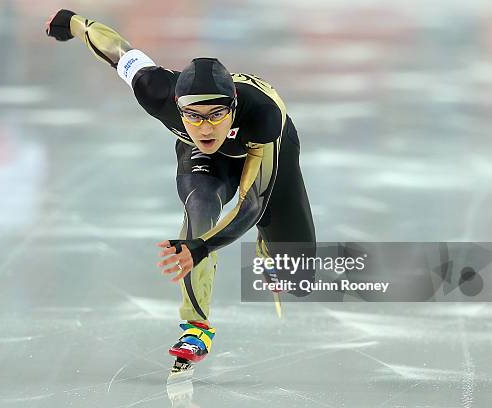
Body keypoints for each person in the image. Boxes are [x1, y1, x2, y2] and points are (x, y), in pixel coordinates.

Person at [45, 9, 316, 372]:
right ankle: (196, 328)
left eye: (216, 114)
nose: (205, 127)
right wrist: (75, 23)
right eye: (193, 115)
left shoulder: (263, 115)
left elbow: (253, 202)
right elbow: (119, 52)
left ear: (234, 107)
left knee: (298, 277)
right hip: (206, 163)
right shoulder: (155, 91)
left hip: (262, 148)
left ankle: (272, 251)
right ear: (177, 106)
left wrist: (202, 247)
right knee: (200, 206)